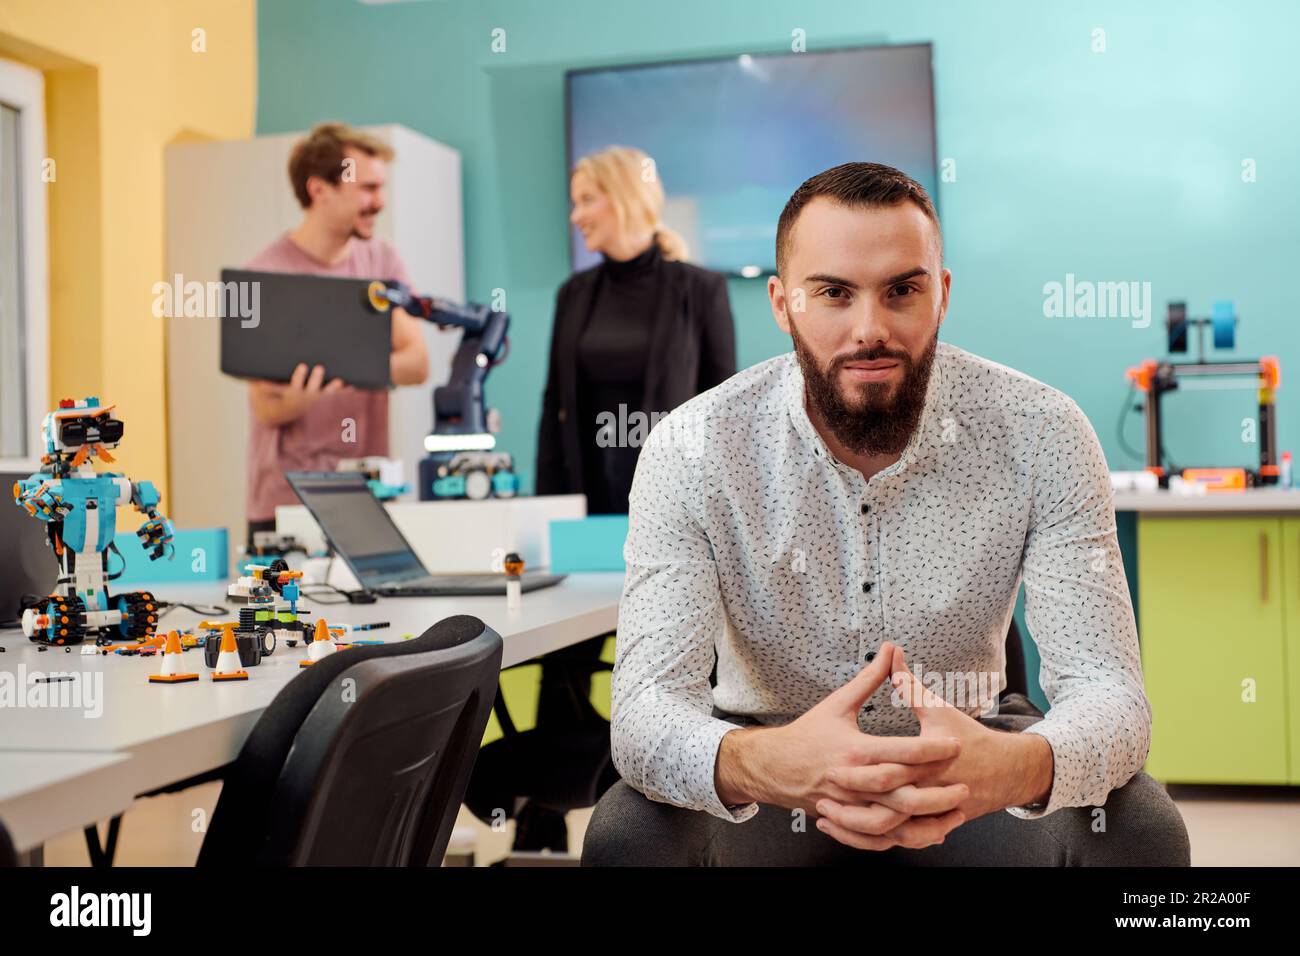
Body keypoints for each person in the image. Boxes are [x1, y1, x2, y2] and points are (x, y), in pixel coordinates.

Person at [581, 162, 1191, 866]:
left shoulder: (1042, 432)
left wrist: (1013, 767)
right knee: (627, 835)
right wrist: (768, 762)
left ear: (942, 296)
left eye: (902, 290)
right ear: (783, 304)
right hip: (773, 773)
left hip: (972, 758)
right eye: (833, 294)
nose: (868, 329)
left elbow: (1111, 694)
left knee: (1143, 827)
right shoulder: (692, 447)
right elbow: (645, 712)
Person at [500, 146, 735, 851]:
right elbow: (552, 408)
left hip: (672, 509)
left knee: (665, 650)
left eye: (584, 201)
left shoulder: (699, 288)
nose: (576, 217)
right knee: (567, 645)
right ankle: (548, 799)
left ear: (621, 199)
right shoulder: (575, 296)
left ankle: (678, 793)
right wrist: (548, 514)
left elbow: (723, 408)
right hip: (588, 507)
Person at [243, 122, 430, 549]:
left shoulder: (382, 261)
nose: (379, 202)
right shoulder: (265, 275)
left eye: (380, 188)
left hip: (368, 496)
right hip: (284, 502)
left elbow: (416, 363)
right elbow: (266, 406)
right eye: (367, 188)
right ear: (319, 189)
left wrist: (338, 367)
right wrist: (304, 397)